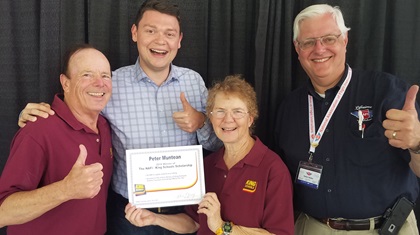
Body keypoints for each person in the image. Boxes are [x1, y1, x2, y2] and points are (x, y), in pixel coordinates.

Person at [17, 0, 221, 234]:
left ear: (179, 40)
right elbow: (74, 115)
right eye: (150, 30)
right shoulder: (109, 84)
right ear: (135, 33)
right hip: (129, 214)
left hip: (184, 211)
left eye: (169, 33)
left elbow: (216, 144)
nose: (160, 40)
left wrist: (202, 122)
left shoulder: (193, 82)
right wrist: (37, 115)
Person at [275, 4, 420, 235]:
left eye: (329, 38)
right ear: (297, 48)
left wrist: (417, 144)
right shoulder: (289, 108)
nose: (319, 49)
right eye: (308, 42)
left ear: (344, 40)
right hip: (313, 227)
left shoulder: (386, 91)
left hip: (384, 229)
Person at [124, 75, 295, 235]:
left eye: (237, 111)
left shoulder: (273, 169)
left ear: (250, 119)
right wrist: (155, 218)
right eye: (220, 111)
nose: (228, 119)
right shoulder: (206, 166)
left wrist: (221, 227)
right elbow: (193, 222)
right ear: (210, 118)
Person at [0, 44, 113, 235]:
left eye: (105, 76)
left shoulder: (105, 126)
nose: (99, 83)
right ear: (65, 83)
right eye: (87, 75)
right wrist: (66, 189)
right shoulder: (38, 131)